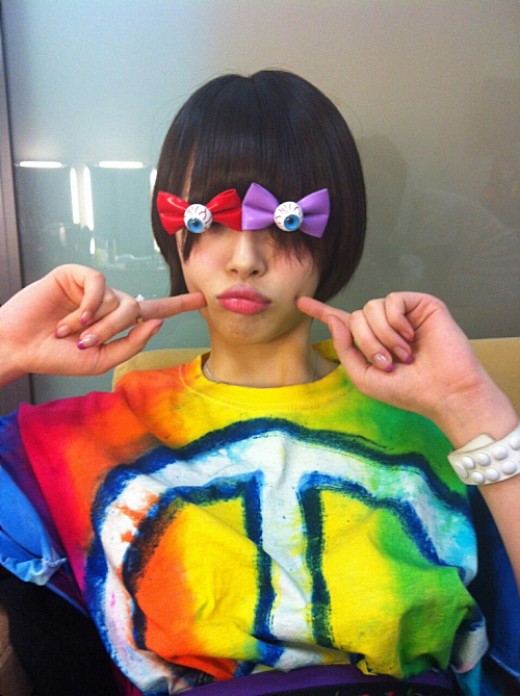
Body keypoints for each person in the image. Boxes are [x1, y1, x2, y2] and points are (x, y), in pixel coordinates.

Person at [0, 70, 518, 696]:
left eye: (286, 223)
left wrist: (470, 404)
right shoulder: (87, 435)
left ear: (336, 236)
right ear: (174, 230)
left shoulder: (431, 419)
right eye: (209, 219)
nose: (245, 258)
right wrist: (5, 347)